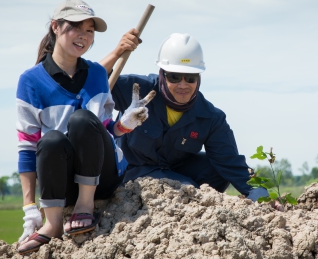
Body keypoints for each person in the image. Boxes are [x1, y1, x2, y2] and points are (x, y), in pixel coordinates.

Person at [15, 0, 153, 255]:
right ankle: (53, 222)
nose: (84, 36)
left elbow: (104, 131)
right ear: (55, 27)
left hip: (103, 178)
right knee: (51, 139)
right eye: (76, 27)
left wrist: (125, 124)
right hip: (62, 182)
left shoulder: (97, 73)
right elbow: (27, 147)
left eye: (89, 30)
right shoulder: (31, 81)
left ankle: (85, 205)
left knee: (81, 119)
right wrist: (29, 207)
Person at [100, 32, 270, 203]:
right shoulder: (136, 89)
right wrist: (117, 52)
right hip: (130, 172)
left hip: (173, 171)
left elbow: (232, 164)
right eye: (174, 77)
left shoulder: (210, 117)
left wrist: (262, 197)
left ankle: (193, 203)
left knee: (216, 170)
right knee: (187, 190)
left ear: (198, 79)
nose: (183, 85)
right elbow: (91, 80)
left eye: (190, 78)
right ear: (162, 74)